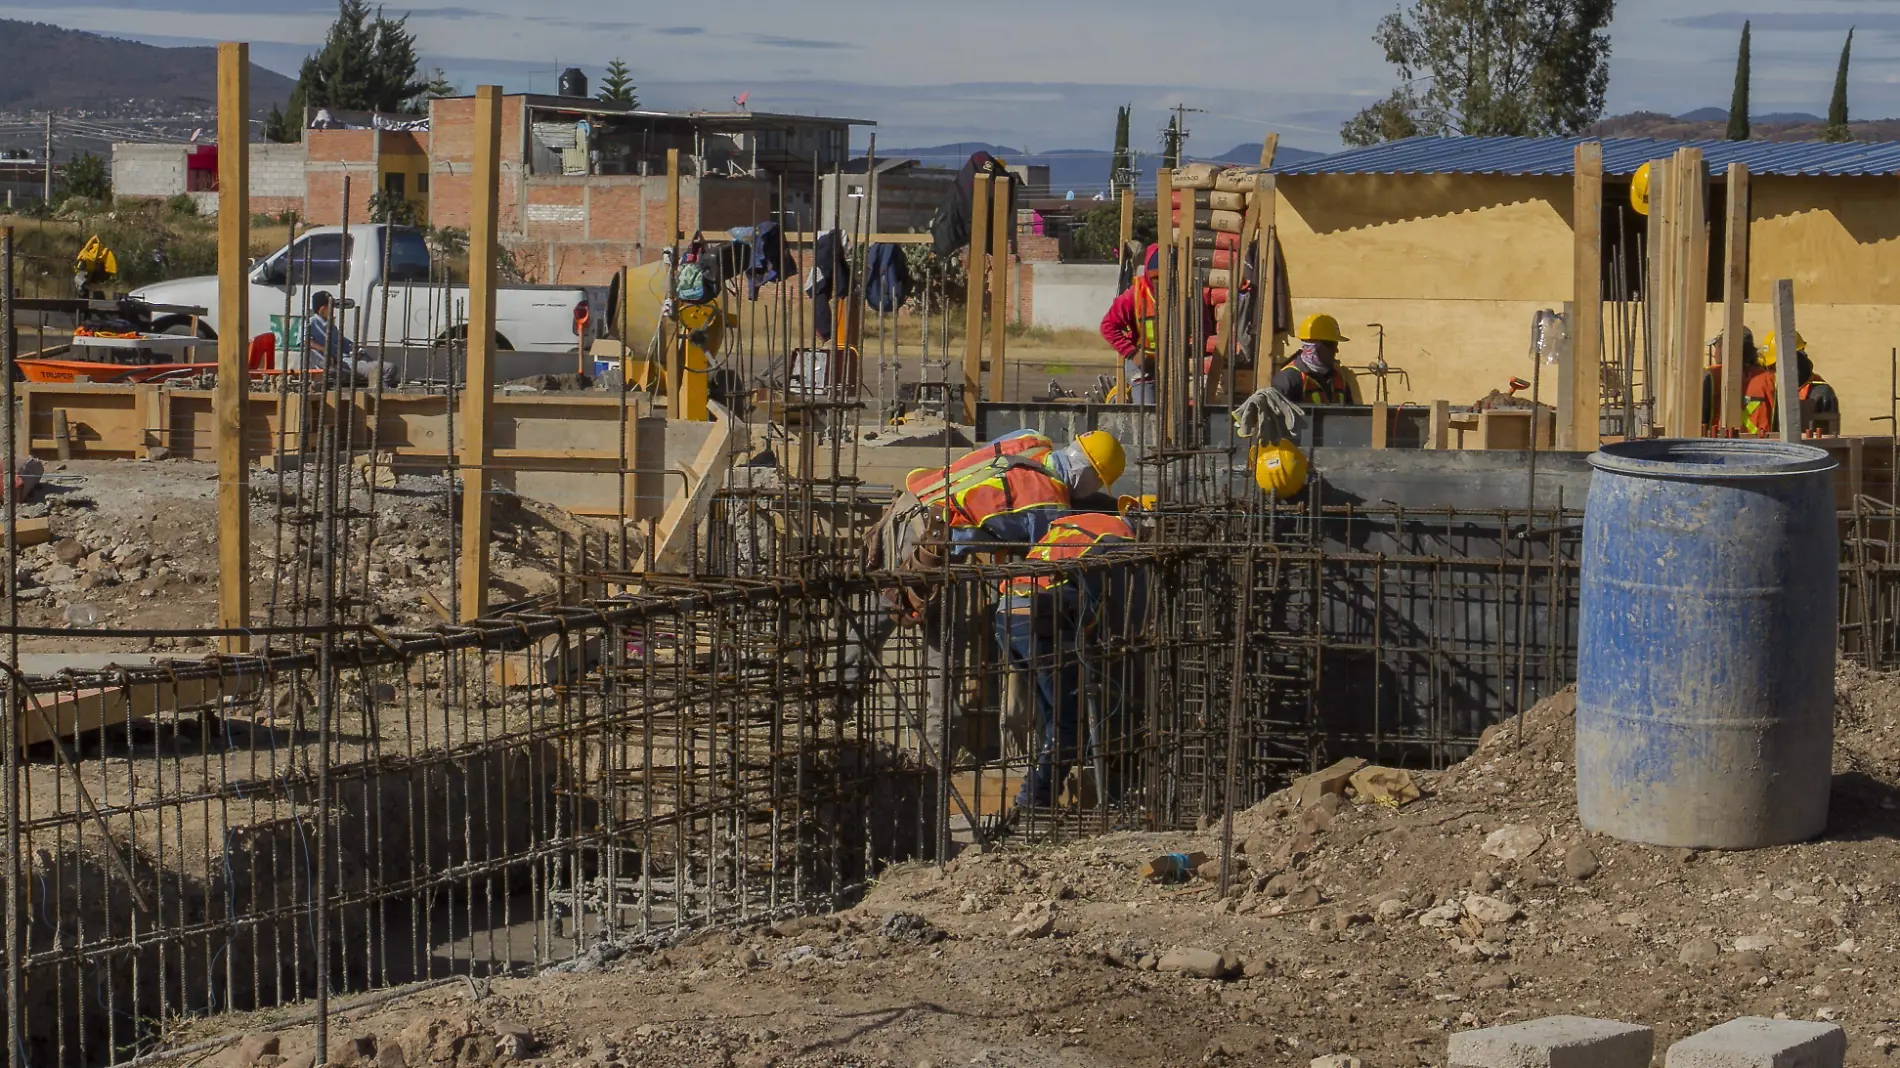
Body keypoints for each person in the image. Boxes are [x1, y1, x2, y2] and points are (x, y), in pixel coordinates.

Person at [850, 429, 1128, 766]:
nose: (1091, 492)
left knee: (873, 622)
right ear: (1087, 475)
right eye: (1096, 484)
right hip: (929, 539)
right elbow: (1047, 565)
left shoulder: (1031, 440)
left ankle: (835, 702)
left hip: (913, 502)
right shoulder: (1049, 501)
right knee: (944, 641)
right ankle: (938, 753)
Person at [993, 510, 1138, 809]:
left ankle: (1039, 790)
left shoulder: (1074, 525)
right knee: (1067, 722)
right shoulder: (1116, 537)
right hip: (1040, 614)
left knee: (1052, 716)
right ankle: (1035, 798)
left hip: (1006, 613)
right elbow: (1098, 600)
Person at [1100, 245, 1161, 404]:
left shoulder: (1184, 295)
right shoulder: (1134, 295)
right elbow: (1108, 326)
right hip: (1143, 367)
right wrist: (1133, 354)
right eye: (1155, 279)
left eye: (1165, 278)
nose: (1160, 285)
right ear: (1148, 275)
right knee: (1148, 413)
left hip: (1175, 367)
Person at [305, 291, 399, 387]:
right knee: (389, 368)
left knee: (380, 367)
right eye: (330, 306)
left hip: (351, 359)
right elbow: (305, 341)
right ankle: (380, 395)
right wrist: (325, 350)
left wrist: (355, 349)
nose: (333, 309)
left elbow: (344, 343)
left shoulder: (331, 326)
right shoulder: (311, 323)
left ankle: (378, 391)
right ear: (322, 308)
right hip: (344, 363)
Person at [1763, 331, 1842, 436]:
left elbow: (1828, 439)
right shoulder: (1773, 389)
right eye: (1771, 368)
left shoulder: (1820, 393)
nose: (1774, 373)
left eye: (1775, 367)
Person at [1703, 327, 1777, 435]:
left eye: (1716, 346)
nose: (1714, 353)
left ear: (1724, 349)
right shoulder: (1769, 379)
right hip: (1762, 448)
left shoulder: (1711, 376)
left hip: (1718, 448)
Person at [1272, 314, 1361, 404]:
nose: (1336, 351)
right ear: (1316, 347)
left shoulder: (1338, 379)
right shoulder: (1288, 380)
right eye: (1333, 346)